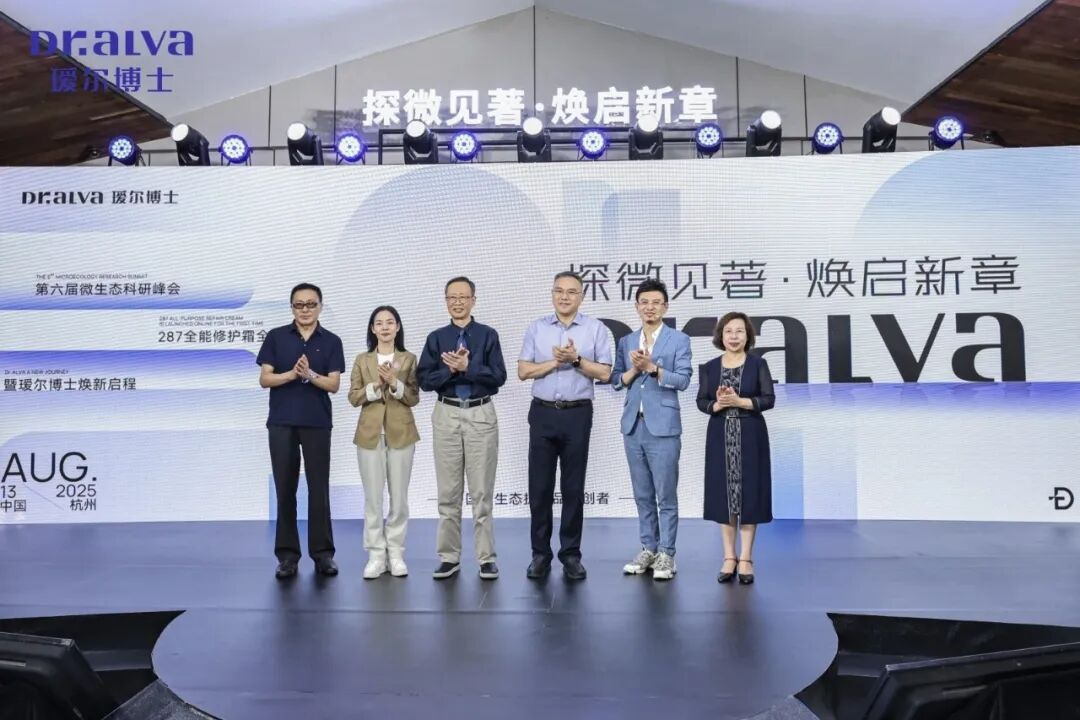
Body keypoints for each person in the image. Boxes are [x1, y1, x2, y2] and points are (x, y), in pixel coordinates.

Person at [517, 271, 613, 581]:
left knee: (573, 488)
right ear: (552, 294)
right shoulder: (537, 328)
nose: (564, 296)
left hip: (577, 414)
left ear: (581, 296)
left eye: (572, 292)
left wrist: (576, 360)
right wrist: (555, 363)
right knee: (540, 488)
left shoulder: (595, 329)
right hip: (543, 413)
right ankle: (540, 555)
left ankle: (571, 554)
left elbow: (606, 373)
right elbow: (522, 371)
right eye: (559, 291)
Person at [417, 276, 507, 580]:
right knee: (448, 493)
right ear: (446, 301)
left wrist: (469, 367)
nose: (457, 302)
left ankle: (486, 558)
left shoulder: (488, 335)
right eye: (452, 297)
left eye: (463, 297)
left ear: (473, 301)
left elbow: (499, 377)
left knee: (481, 492)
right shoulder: (436, 338)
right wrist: (450, 370)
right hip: (447, 413)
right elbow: (424, 381)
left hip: (481, 412)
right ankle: (449, 557)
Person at [256, 283, 345, 579]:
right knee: (285, 489)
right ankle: (287, 556)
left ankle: (323, 555)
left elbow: (333, 384)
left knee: (319, 489)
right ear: (292, 307)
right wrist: (293, 374)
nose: (305, 310)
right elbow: (265, 379)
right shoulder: (276, 337)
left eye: (311, 304)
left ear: (320, 306)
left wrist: (310, 374)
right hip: (282, 422)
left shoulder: (331, 341)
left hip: (317, 422)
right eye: (299, 304)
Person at [610, 279, 692, 581]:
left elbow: (683, 380)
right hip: (633, 426)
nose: (650, 307)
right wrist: (635, 369)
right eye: (644, 302)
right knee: (642, 494)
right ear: (637, 306)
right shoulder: (627, 341)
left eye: (656, 302)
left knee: (665, 495)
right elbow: (616, 381)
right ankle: (648, 548)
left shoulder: (679, 340)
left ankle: (667, 553)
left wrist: (653, 368)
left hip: (664, 427)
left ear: (665, 307)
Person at [696, 311, 775, 585]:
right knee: (725, 495)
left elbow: (769, 399)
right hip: (720, 434)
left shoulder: (758, 364)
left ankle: (746, 558)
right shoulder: (709, 367)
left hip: (751, 434)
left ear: (747, 335)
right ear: (721, 335)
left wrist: (740, 402)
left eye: (739, 331)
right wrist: (717, 404)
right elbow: (701, 401)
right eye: (729, 331)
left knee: (749, 495)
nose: (734, 336)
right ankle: (729, 557)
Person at [348, 306, 420, 579]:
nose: (385, 327)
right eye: (379, 323)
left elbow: (413, 397)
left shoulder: (408, 358)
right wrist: (376, 385)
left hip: (401, 433)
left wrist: (394, 383)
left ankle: (396, 553)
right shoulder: (362, 359)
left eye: (390, 322)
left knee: (399, 498)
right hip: (370, 434)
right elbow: (353, 397)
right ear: (373, 329)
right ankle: (376, 555)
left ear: (398, 327)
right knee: (373, 498)